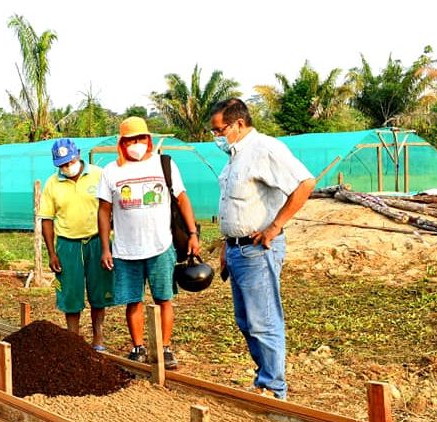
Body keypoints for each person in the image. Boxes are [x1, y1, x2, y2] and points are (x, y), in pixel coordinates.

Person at [209, 98, 316, 400]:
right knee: (246, 321)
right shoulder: (234, 157)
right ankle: (264, 380)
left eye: (219, 130)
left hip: (258, 249)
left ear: (238, 123)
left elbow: (305, 183)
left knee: (263, 321)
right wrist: (225, 246)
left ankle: (274, 388)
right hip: (237, 250)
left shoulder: (264, 149)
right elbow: (234, 205)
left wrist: (275, 226)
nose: (216, 136)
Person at [97, 117, 200, 369]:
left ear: (148, 140)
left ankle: (164, 348)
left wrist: (193, 234)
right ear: (122, 143)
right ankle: (138, 347)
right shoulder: (111, 171)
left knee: (164, 298)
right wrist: (105, 247)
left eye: (141, 138)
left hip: (160, 246)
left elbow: (182, 199)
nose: (136, 144)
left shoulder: (163, 164)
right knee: (133, 301)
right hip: (125, 250)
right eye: (131, 139)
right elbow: (103, 211)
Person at [39, 138, 115, 350]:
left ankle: (98, 337)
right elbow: (47, 219)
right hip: (67, 244)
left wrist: (107, 245)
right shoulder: (52, 184)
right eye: (62, 164)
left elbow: (110, 208)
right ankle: (73, 339)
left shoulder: (99, 175)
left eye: (70, 161)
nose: (67, 167)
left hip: (97, 241)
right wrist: (52, 253)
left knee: (99, 291)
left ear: (78, 154)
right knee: (70, 294)